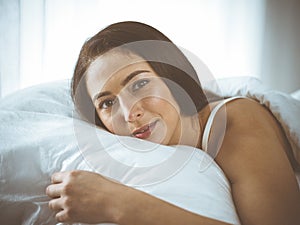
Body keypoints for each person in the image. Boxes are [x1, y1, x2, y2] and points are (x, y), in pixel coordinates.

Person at [46, 21, 300, 225]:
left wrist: (117, 203)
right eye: (107, 103)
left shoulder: (235, 123)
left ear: (173, 79)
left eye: (139, 84)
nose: (129, 113)